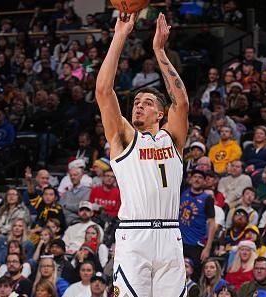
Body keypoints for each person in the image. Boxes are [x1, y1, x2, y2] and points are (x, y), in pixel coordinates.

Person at [96, 12, 189, 297]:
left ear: (160, 114)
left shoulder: (172, 139)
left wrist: (159, 51)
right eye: (136, 102)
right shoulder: (124, 137)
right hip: (134, 236)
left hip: (170, 235)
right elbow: (103, 90)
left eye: (147, 103)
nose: (138, 106)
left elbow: (181, 102)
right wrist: (120, 35)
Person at [179, 169, 216, 280]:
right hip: (180, 241)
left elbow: (212, 223)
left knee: (194, 276)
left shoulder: (207, 199)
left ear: (205, 182)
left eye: (200, 177)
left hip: (197, 244)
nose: (197, 179)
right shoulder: (182, 192)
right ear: (190, 179)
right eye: (195, 177)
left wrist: (207, 247)